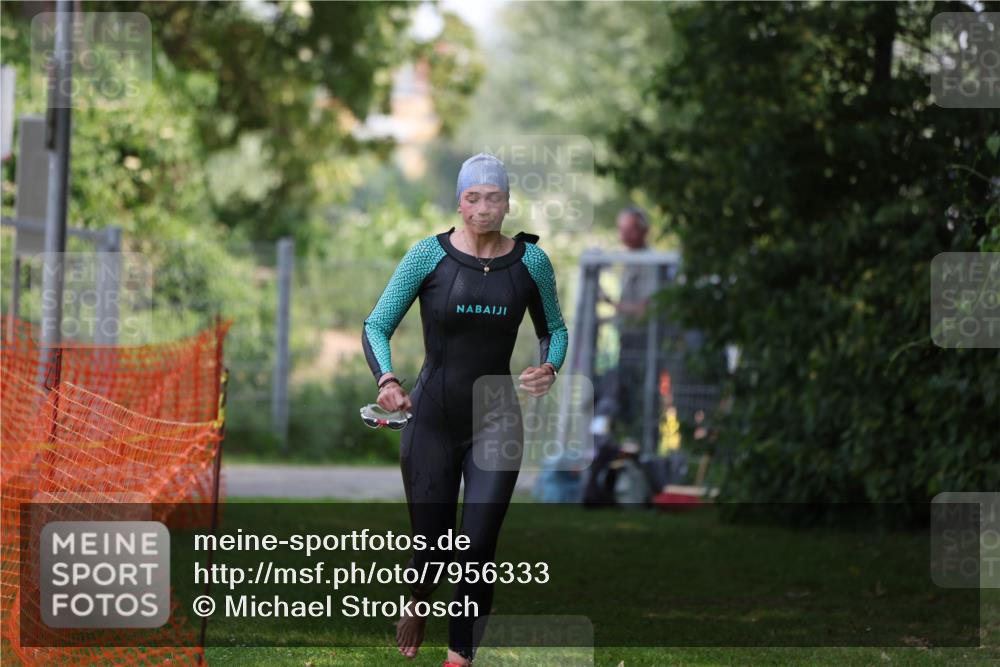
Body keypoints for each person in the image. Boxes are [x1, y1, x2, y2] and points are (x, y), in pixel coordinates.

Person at [361, 152, 569, 667]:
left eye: (493, 197)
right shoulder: (426, 257)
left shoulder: (530, 262)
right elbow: (375, 325)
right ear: (459, 200)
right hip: (432, 417)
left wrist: (550, 367)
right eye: (473, 198)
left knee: (476, 550)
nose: (482, 208)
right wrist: (387, 380)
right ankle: (417, 600)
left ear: (506, 203)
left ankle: (460, 657)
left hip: (496, 418)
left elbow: (554, 330)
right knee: (431, 543)